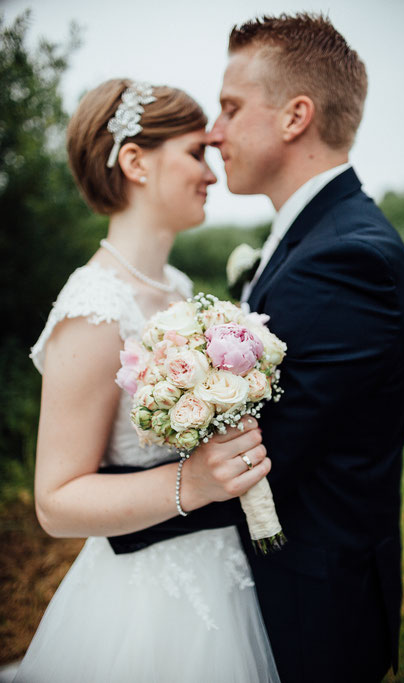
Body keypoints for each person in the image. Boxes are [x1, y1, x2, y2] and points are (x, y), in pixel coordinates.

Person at [101, 14, 404, 681]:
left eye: (230, 108)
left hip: (311, 608)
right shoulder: (311, 238)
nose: (213, 133)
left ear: (295, 116)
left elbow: (264, 455)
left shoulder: (347, 260)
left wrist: (102, 506)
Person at [16, 79, 280, 682]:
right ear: (135, 162)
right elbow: (56, 503)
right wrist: (195, 480)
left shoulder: (180, 288)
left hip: (225, 573)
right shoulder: (93, 308)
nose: (211, 174)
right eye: (195, 153)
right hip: (145, 601)